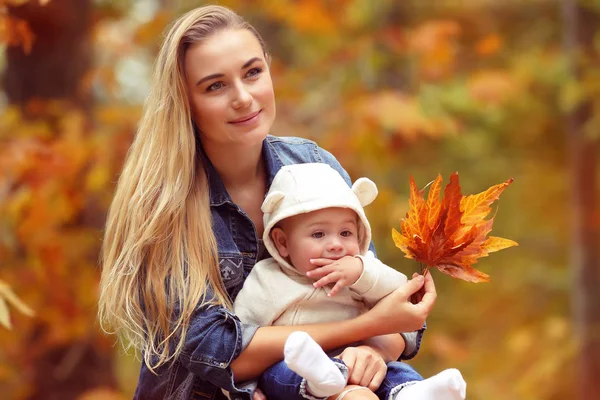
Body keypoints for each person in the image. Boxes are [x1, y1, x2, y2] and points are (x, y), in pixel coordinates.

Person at [97, 5, 437, 400]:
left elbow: (374, 298)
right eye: (215, 86)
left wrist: (373, 351)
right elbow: (221, 354)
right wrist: (366, 328)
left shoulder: (315, 166)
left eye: (252, 72)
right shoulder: (163, 206)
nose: (243, 97)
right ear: (185, 103)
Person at [231, 163, 466, 400]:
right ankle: (321, 382)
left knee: (394, 371)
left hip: (357, 359)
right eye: (318, 234)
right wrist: (246, 389)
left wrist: (361, 272)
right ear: (282, 242)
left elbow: (397, 291)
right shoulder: (268, 279)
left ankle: (410, 392)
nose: (336, 244)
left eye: (346, 233)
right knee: (284, 370)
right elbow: (242, 338)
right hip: (297, 367)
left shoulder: (362, 269)